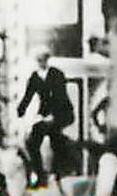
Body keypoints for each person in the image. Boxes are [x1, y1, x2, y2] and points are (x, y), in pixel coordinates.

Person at [16, 47, 74, 188]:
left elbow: (61, 97)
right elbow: (28, 96)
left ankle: (63, 168)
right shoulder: (35, 77)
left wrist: (53, 115)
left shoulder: (57, 74)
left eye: (43, 59)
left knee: (55, 138)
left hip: (62, 112)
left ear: (47, 59)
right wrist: (19, 111)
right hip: (45, 115)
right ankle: (41, 176)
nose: (41, 62)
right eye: (38, 60)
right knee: (32, 143)